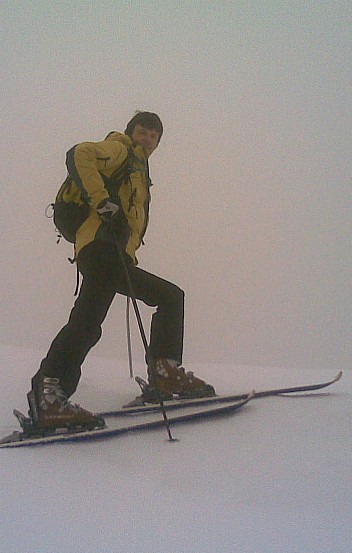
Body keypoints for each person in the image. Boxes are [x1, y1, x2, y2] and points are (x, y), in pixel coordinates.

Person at [28, 112, 214, 431]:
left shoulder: (140, 171)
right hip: (101, 249)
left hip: (116, 257)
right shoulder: (120, 148)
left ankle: (166, 375)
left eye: (153, 136)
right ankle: (49, 399)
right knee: (87, 320)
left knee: (170, 297)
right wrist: (102, 203)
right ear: (131, 132)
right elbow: (79, 154)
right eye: (142, 132)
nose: (147, 139)